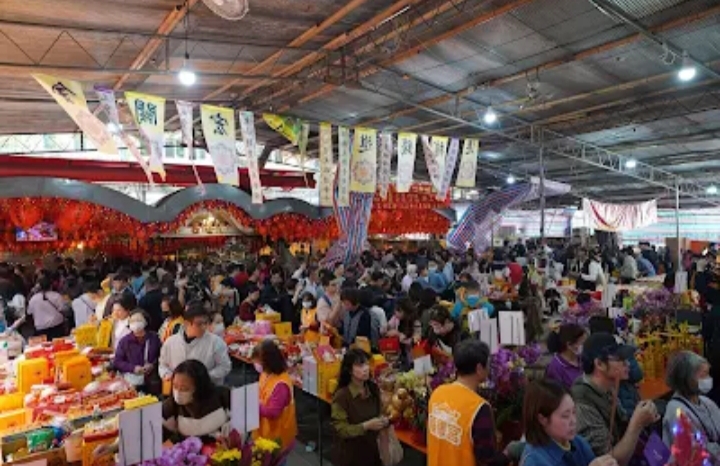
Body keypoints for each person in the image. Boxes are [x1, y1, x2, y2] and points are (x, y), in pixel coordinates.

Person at [572, 332, 659, 464]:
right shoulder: (582, 403)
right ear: (600, 364)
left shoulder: (608, 387)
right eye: (620, 359)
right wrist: (637, 424)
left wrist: (643, 419)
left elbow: (622, 428)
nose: (627, 363)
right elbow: (609, 461)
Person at [428, 339, 508, 466]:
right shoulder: (479, 408)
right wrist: (508, 454)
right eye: (488, 364)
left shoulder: (437, 393)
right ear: (479, 368)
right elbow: (488, 460)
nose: (489, 368)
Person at [521, 379, 617, 466]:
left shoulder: (578, 442)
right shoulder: (534, 460)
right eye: (565, 416)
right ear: (542, 419)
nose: (573, 421)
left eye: (574, 412)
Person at [331, 348, 387, 466]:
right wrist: (366, 426)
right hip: (350, 457)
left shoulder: (373, 389)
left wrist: (384, 420)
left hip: (372, 454)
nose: (365, 368)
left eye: (366, 364)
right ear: (349, 370)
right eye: (360, 365)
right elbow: (341, 430)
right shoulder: (342, 396)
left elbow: (380, 412)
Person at [159, 302, 232, 386]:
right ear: (186, 324)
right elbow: (163, 365)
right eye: (199, 324)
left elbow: (225, 366)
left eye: (206, 323)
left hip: (206, 388)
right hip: (179, 388)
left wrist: (204, 376)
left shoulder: (216, 342)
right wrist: (168, 375)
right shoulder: (170, 342)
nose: (204, 327)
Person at [662, 351, 720, 457]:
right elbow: (692, 455)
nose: (708, 379)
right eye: (703, 375)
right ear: (687, 379)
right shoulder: (676, 412)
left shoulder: (705, 402)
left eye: (708, 374)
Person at [162, 359, 231, 443]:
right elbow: (159, 436)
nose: (178, 392)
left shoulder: (223, 396)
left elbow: (241, 420)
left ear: (199, 388)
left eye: (184, 388)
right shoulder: (170, 406)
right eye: (175, 386)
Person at [253, 340, 297, 457]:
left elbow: (273, 412)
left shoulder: (281, 385)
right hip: (264, 431)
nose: (255, 364)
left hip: (277, 436)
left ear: (267, 362)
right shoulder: (266, 373)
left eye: (258, 361)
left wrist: (253, 405)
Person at [114, 310, 162, 394]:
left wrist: (153, 365)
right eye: (132, 321)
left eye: (138, 320)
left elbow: (161, 356)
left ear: (145, 322)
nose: (135, 323)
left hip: (151, 382)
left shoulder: (154, 338)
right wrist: (133, 368)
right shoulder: (124, 341)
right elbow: (118, 361)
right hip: (133, 383)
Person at [545, 324, 587, 389]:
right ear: (569, 345)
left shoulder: (583, 359)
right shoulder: (555, 367)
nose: (585, 346)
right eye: (582, 343)